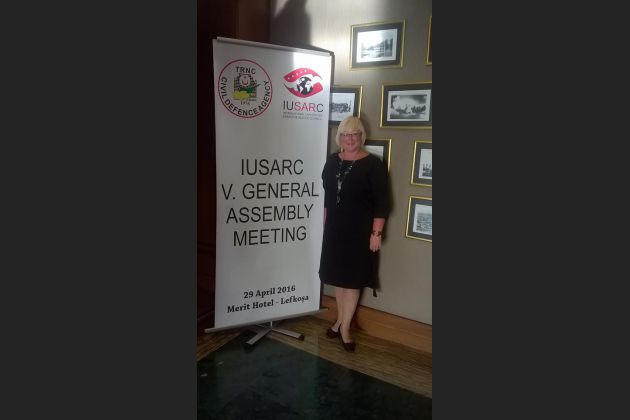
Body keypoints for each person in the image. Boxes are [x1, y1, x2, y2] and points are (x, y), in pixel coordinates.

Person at [319, 116, 389, 352]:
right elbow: (328, 198)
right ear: (340, 137)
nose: (350, 139)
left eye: (355, 134)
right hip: (334, 230)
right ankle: (339, 321)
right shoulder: (332, 161)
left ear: (361, 137)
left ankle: (346, 329)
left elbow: (382, 203)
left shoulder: (373, 165)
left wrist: (376, 233)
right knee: (339, 280)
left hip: (359, 232)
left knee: (352, 281)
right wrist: (324, 227)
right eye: (346, 134)